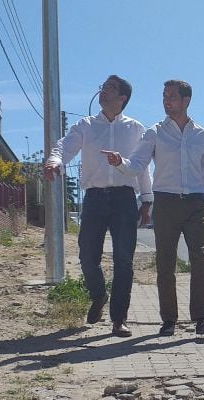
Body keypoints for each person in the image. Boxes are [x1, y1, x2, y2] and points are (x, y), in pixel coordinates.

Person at [105, 80, 204, 336]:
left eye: (172, 96)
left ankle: (201, 318)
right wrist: (120, 162)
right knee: (165, 262)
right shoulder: (155, 132)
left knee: (200, 260)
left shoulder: (201, 135)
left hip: (195, 203)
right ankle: (169, 320)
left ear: (186, 101)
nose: (166, 101)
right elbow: (138, 163)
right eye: (164, 96)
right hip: (165, 202)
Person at [44, 75, 152, 337]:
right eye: (102, 88)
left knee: (123, 260)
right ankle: (99, 293)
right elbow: (64, 147)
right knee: (87, 256)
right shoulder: (87, 125)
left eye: (110, 89)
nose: (103, 92)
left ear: (122, 98)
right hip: (93, 199)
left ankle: (119, 320)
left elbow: (142, 166)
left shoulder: (136, 128)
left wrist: (147, 200)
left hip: (125, 199)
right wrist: (54, 161)